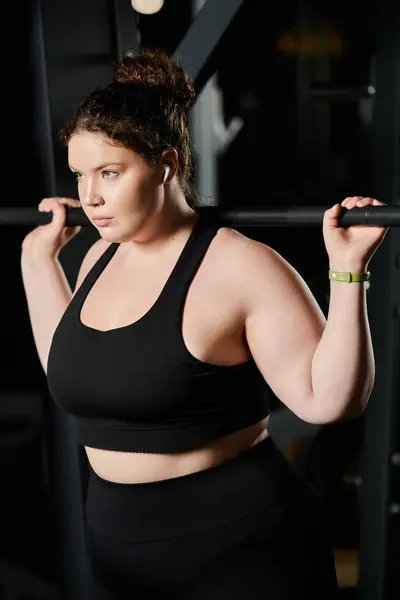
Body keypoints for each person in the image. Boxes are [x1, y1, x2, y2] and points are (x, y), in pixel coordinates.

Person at [20, 49, 388, 599]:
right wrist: (38, 262)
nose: (88, 197)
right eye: (79, 175)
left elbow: (329, 402)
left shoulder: (240, 266)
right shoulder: (100, 256)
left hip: (238, 548)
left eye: (109, 173)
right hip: (117, 550)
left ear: (166, 164)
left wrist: (347, 271)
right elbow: (71, 368)